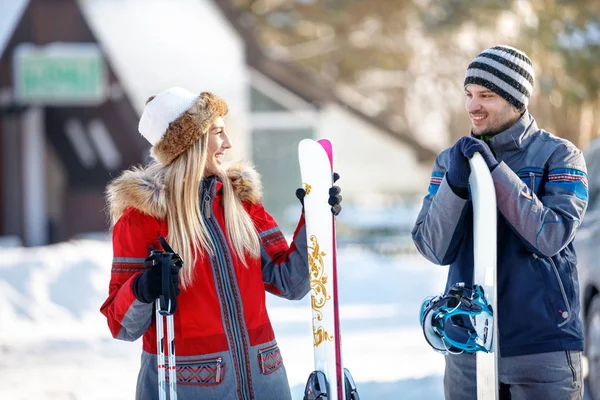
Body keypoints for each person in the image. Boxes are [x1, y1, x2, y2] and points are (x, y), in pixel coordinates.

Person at [100, 87, 342, 400]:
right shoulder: (143, 218)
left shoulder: (241, 204)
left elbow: (290, 282)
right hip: (187, 389)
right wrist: (143, 288)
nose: (227, 144)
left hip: (265, 381)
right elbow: (122, 327)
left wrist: (315, 220)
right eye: (217, 132)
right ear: (192, 142)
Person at [412, 45, 588, 399]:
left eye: (486, 95)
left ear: (516, 100)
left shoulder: (560, 155)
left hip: (542, 346)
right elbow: (432, 247)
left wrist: (495, 172)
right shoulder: (452, 161)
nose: (472, 106)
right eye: (469, 94)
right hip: (467, 343)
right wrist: (456, 185)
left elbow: (550, 236)